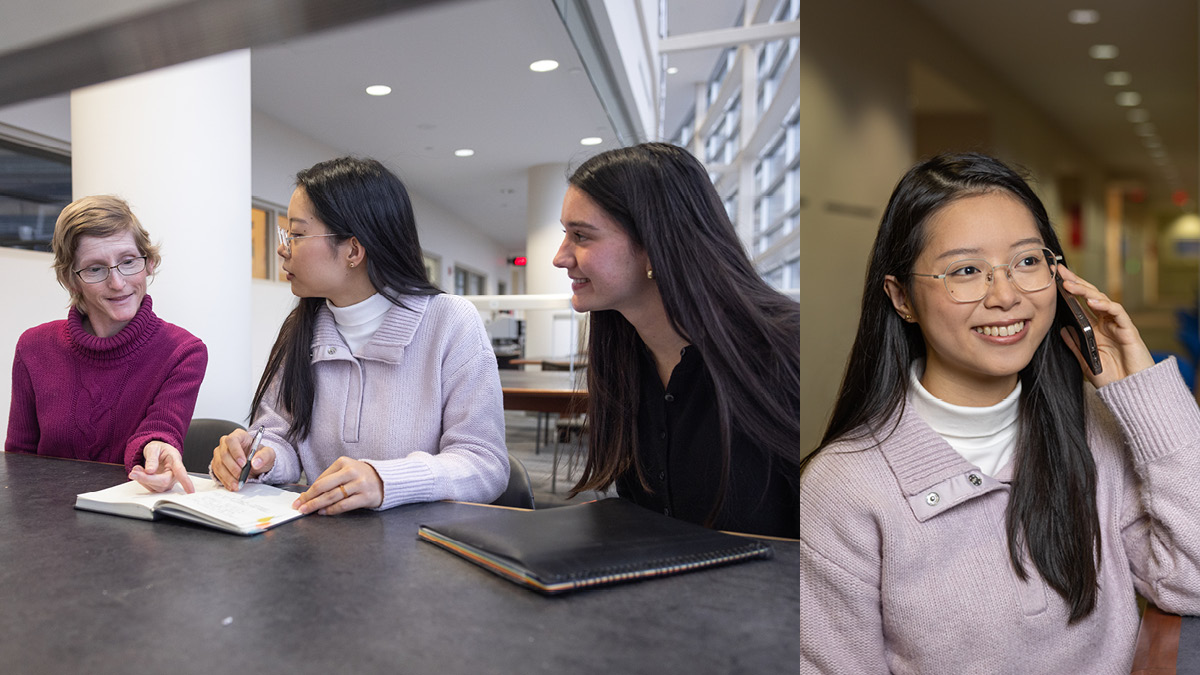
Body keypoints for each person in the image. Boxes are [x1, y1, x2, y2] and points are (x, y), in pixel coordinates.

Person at [799, 153, 1200, 673]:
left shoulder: (1092, 430)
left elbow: (1191, 579)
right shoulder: (844, 489)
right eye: (966, 271)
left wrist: (1145, 398)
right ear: (902, 298)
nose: (1006, 296)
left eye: (1028, 261)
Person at [211, 157, 507, 514]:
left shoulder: (450, 322)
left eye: (298, 234)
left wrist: (385, 480)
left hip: (421, 546)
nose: (282, 247)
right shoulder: (302, 328)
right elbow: (281, 436)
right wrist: (261, 457)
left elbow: (484, 463)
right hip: (322, 545)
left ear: (353, 250)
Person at [552, 142, 801, 538]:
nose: (560, 257)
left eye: (581, 236)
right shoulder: (622, 357)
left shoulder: (789, 353)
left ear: (654, 244)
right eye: (566, 234)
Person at [6, 195, 207, 493]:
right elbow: (18, 463)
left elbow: (160, 430)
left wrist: (157, 452)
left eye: (128, 262)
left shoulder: (184, 352)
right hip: (47, 524)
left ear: (149, 263)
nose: (117, 283)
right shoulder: (33, 348)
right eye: (95, 269)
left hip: (132, 520)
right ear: (70, 280)